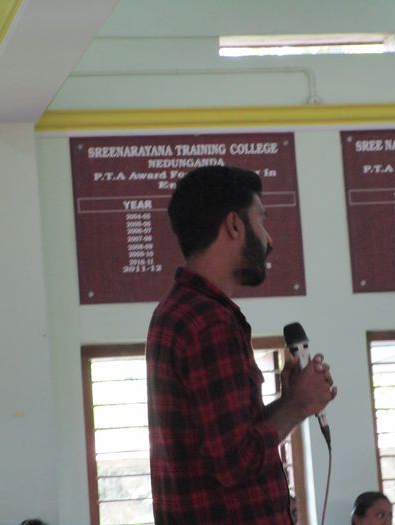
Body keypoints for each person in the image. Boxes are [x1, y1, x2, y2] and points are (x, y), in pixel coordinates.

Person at [146, 165, 338, 524]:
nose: (269, 240)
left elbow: (223, 445)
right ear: (234, 225)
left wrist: (289, 401)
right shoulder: (209, 323)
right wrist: (297, 404)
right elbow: (236, 462)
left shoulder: (182, 311)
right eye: (261, 220)